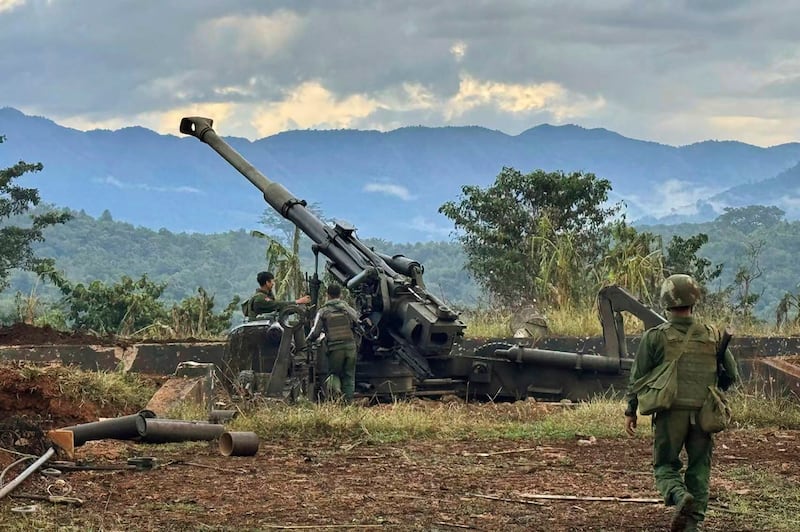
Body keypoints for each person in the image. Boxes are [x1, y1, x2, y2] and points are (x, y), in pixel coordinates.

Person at [624, 274, 739, 532]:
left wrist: (631, 410)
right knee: (699, 469)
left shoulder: (655, 337)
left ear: (666, 302)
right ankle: (692, 524)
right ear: (694, 300)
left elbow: (637, 377)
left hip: (670, 412)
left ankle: (678, 495)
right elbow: (731, 375)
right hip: (704, 414)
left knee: (665, 464)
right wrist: (717, 385)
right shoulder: (712, 335)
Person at [305, 283, 360, 402]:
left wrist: (307, 342)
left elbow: (315, 332)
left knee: (334, 374)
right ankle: (348, 402)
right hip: (351, 346)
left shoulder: (323, 311)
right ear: (340, 295)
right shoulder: (348, 309)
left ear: (328, 295)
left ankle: (336, 397)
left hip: (335, 348)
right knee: (349, 376)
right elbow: (358, 323)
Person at [244, 271, 311, 320]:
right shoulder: (260, 299)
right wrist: (298, 301)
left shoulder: (266, 295)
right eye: (272, 281)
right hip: (262, 329)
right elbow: (277, 305)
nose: (273, 283)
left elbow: (280, 309)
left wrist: (297, 308)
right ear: (267, 282)